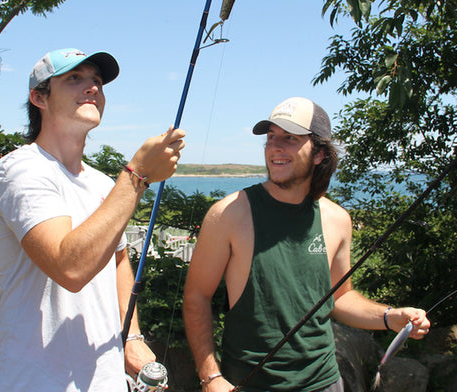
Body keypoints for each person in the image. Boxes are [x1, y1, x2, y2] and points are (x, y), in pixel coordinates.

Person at [183, 97, 430, 392]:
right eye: (271, 137)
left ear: (318, 153)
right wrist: (210, 376)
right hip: (248, 383)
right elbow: (197, 296)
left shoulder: (337, 219)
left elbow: (339, 299)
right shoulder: (228, 214)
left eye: (290, 138)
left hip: (325, 382)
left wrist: (391, 317)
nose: (275, 147)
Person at [0, 48, 185, 392]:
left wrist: (131, 337)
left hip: (104, 379)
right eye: (74, 78)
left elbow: (118, 258)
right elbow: (70, 268)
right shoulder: (18, 170)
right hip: (30, 381)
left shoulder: (104, 184)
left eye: (97, 81)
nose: (92, 87)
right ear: (38, 97)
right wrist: (137, 175)